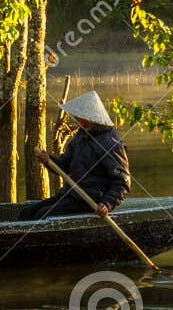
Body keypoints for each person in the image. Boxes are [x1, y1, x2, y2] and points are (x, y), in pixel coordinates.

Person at [19, 90, 131, 220]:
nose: (77, 121)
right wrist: (48, 161)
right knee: (27, 213)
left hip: (91, 201)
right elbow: (64, 166)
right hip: (71, 195)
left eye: (79, 118)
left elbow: (122, 182)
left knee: (42, 215)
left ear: (89, 118)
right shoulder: (81, 136)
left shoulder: (111, 143)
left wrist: (107, 203)